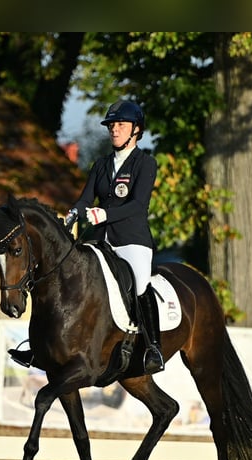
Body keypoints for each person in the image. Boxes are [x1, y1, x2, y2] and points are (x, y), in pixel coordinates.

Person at [9, 100, 165, 374]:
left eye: (120, 125)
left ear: (136, 130)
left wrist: (104, 214)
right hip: (101, 240)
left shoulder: (145, 163)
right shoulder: (101, 165)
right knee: (66, 278)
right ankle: (38, 347)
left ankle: (153, 348)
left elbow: (139, 205)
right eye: (112, 125)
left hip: (132, 241)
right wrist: (71, 215)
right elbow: (84, 200)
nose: (114, 130)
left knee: (140, 284)